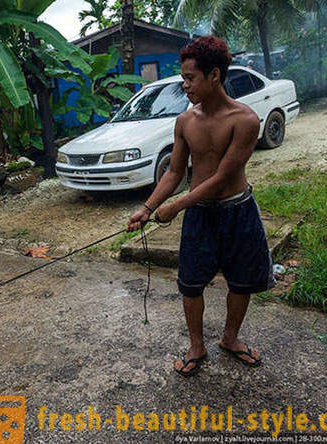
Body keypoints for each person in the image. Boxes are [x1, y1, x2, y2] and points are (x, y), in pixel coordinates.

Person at [126, 36, 275, 377]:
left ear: (215, 76)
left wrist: (176, 206)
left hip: (238, 211)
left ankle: (230, 338)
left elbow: (224, 176)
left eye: (191, 78)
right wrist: (147, 208)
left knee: (242, 281)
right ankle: (197, 346)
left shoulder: (246, 120)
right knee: (190, 283)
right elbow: (175, 172)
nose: (185, 85)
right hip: (200, 217)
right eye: (184, 78)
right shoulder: (185, 122)